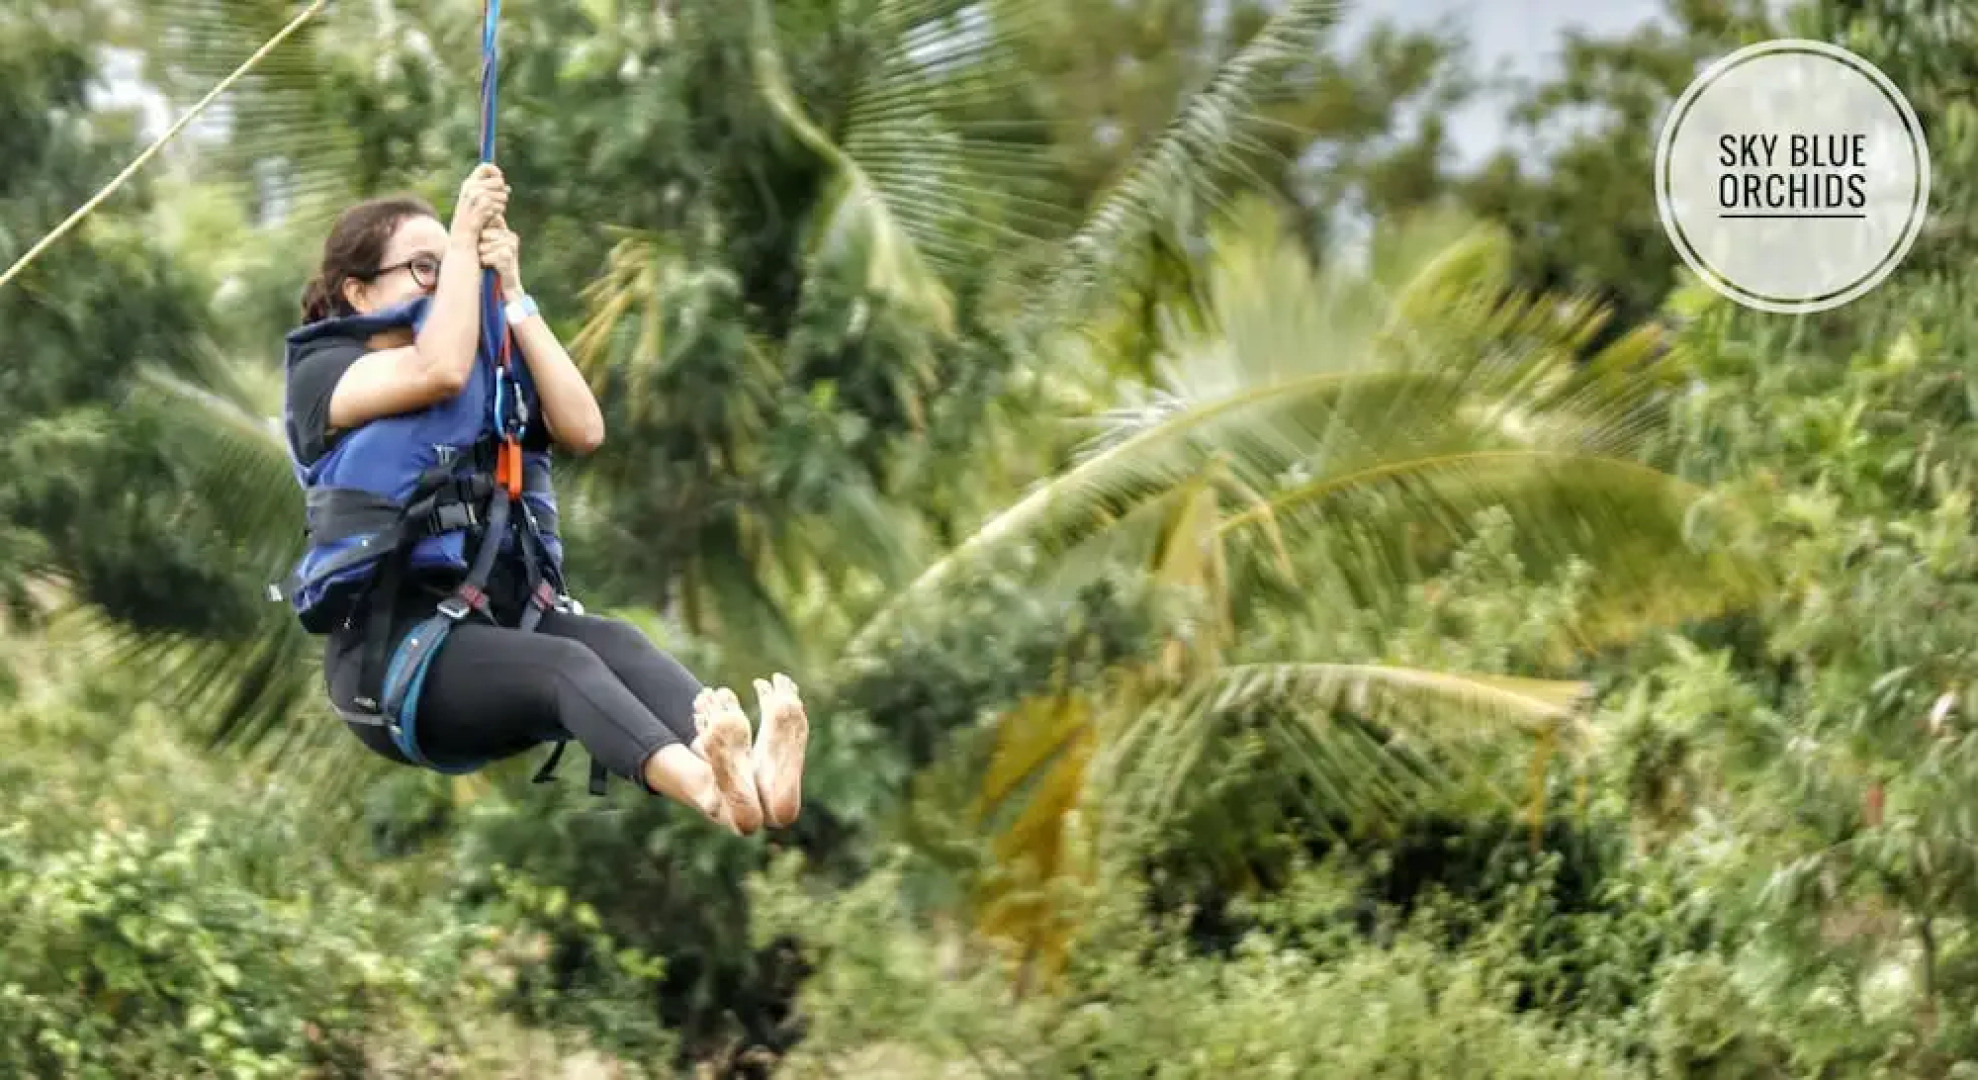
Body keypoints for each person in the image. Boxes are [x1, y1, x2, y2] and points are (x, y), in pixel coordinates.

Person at [280, 163, 805, 836]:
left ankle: (754, 776)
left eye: (452, 262)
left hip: (496, 629)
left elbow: (583, 426)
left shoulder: (481, 371)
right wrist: (467, 233)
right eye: (424, 267)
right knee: (567, 665)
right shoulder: (324, 378)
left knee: (614, 641)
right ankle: (708, 788)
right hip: (393, 661)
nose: (447, 278)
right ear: (358, 291)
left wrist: (515, 293)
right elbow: (434, 371)